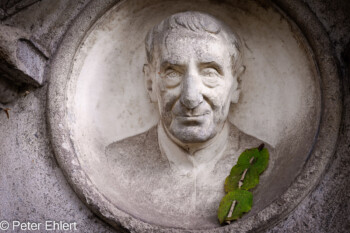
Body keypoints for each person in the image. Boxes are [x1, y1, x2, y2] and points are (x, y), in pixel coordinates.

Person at [106, 11, 269, 227]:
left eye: (210, 73)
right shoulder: (115, 162)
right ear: (150, 84)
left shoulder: (268, 160)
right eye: (172, 73)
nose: (190, 97)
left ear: (236, 84)